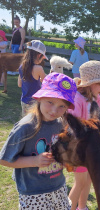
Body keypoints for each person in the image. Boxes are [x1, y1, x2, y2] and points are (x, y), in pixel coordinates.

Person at [0, 72, 77, 209]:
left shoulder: (61, 124)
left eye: (62, 106)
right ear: (40, 97)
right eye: (50, 102)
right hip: (33, 193)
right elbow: (4, 159)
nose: (54, 110)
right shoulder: (26, 127)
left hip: (58, 186)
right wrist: (34, 161)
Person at [68, 60, 100, 210]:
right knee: (80, 182)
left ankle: (81, 207)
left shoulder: (98, 100)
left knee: (89, 179)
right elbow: (72, 126)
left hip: (92, 149)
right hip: (79, 150)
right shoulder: (78, 99)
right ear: (89, 84)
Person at [18, 40, 48, 116]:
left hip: (24, 101)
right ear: (39, 55)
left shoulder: (22, 66)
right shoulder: (39, 68)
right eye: (42, 58)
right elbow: (46, 83)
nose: (42, 60)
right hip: (34, 103)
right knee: (34, 123)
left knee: (25, 122)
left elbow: (19, 84)